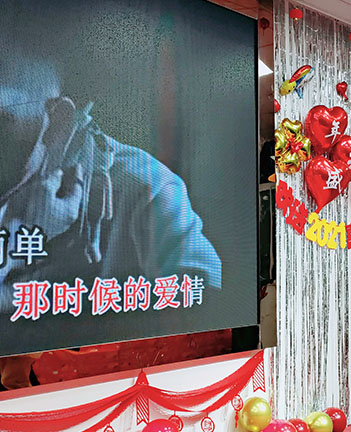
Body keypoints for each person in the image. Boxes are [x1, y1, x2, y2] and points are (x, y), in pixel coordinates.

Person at [0, 47, 222, 386]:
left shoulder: (147, 187)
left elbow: (206, 300)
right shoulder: (17, 177)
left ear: (58, 122)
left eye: (4, 121)